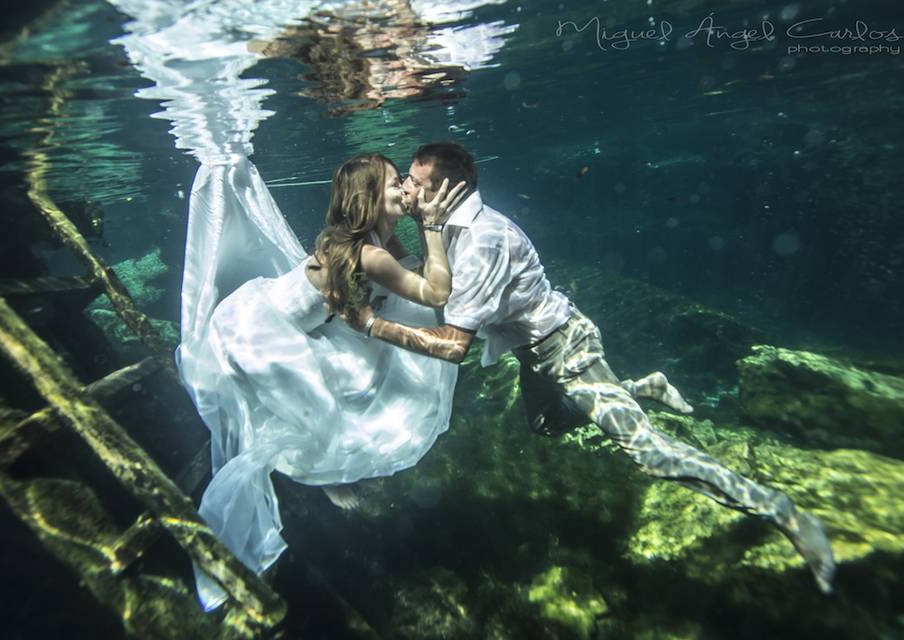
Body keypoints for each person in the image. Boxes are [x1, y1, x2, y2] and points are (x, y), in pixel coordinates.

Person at [349, 142, 836, 594]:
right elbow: (426, 276)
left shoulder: (481, 240)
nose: (408, 188)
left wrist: (371, 325)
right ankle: (639, 386)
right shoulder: (449, 226)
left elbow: (454, 344)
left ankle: (783, 512)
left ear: (449, 189)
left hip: (566, 347)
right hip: (535, 351)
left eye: (415, 181)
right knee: (544, 424)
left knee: (651, 454)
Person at [178, 153, 466, 610]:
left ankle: (331, 470)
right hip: (262, 335)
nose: (405, 188)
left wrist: (416, 224)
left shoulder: (374, 241)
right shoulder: (367, 252)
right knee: (321, 416)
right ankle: (329, 474)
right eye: (396, 183)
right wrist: (434, 225)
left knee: (366, 367)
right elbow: (435, 292)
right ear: (370, 196)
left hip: (286, 322)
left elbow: (407, 270)